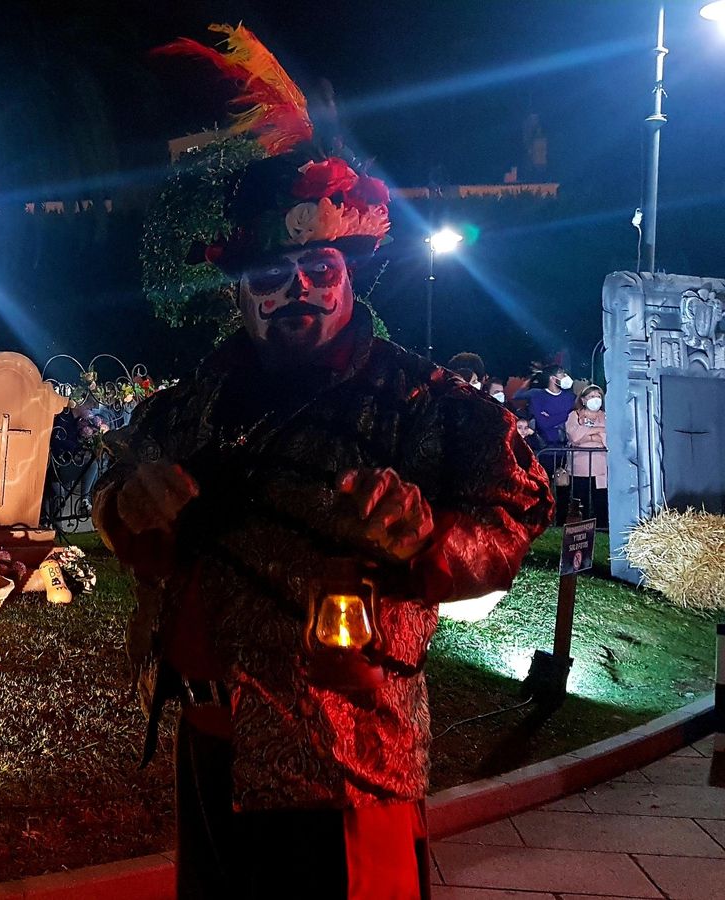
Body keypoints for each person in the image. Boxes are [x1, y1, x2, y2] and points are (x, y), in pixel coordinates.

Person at [95, 33, 554, 898]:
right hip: (213, 741)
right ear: (237, 289)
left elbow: (512, 512)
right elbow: (117, 492)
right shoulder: (190, 405)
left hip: (346, 758)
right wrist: (130, 505)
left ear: (350, 275)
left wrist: (428, 539)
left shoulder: (422, 402)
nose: (299, 289)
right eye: (272, 275)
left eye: (318, 268)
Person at [565, 384, 609, 527]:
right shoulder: (574, 415)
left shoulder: (606, 416)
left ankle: (602, 528)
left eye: (598, 396)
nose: (595, 399)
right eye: (591, 396)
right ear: (583, 400)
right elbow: (574, 436)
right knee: (580, 501)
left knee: (600, 500)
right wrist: (597, 433)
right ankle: (580, 530)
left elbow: (609, 437)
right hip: (579, 467)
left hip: (600, 468)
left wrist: (587, 433)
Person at [522, 365, 576, 447]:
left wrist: (551, 417)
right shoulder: (538, 397)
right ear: (552, 378)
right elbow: (543, 423)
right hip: (546, 448)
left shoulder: (571, 397)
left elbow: (575, 417)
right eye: (561, 373)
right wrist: (568, 414)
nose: (565, 376)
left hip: (568, 446)